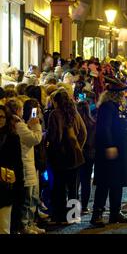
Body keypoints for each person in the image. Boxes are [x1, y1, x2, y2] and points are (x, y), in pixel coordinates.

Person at [90, 78, 127, 227]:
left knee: (117, 183)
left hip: (119, 150)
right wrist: (109, 145)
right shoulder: (107, 107)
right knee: (104, 183)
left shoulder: (116, 107)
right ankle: (97, 214)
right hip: (109, 151)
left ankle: (115, 212)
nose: (124, 95)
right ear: (116, 94)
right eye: (122, 93)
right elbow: (104, 128)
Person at [47, 90, 87, 223]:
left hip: (60, 157)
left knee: (59, 187)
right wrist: (78, 147)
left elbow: (54, 138)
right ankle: (73, 216)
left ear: (56, 101)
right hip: (75, 156)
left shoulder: (54, 114)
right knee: (73, 188)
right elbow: (83, 132)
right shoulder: (74, 113)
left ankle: (59, 216)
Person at [5, 98, 43, 234]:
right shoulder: (17, 125)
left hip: (29, 165)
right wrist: (36, 125)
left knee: (32, 198)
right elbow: (35, 139)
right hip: (25, 165)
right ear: (18, 110)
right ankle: (25, 225)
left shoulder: (19, 124)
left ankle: (30, 223)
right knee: (27, 199)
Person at [0, 106, 23, 234]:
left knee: (4, 225)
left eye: (2, 117)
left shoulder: (12, 137)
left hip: (6, 185)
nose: (0, 120)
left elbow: (17, 163)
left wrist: (19, 184)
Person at [76, 101, 96, 214]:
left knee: (76, 181)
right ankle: (84, 206)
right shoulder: (92, 123)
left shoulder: (76, 123)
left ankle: (73, 208)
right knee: (86, 181)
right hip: (89, 154)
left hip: (78, 154)